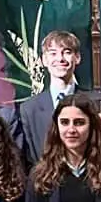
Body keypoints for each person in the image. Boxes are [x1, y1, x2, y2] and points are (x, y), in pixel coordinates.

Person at [17, 29, 86, 164]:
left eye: (67, 52)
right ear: (44, 60)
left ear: (77, 58)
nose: (60, 59)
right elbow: (27, 159)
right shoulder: (29, 109)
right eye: (53, 53)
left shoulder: (95, 102)